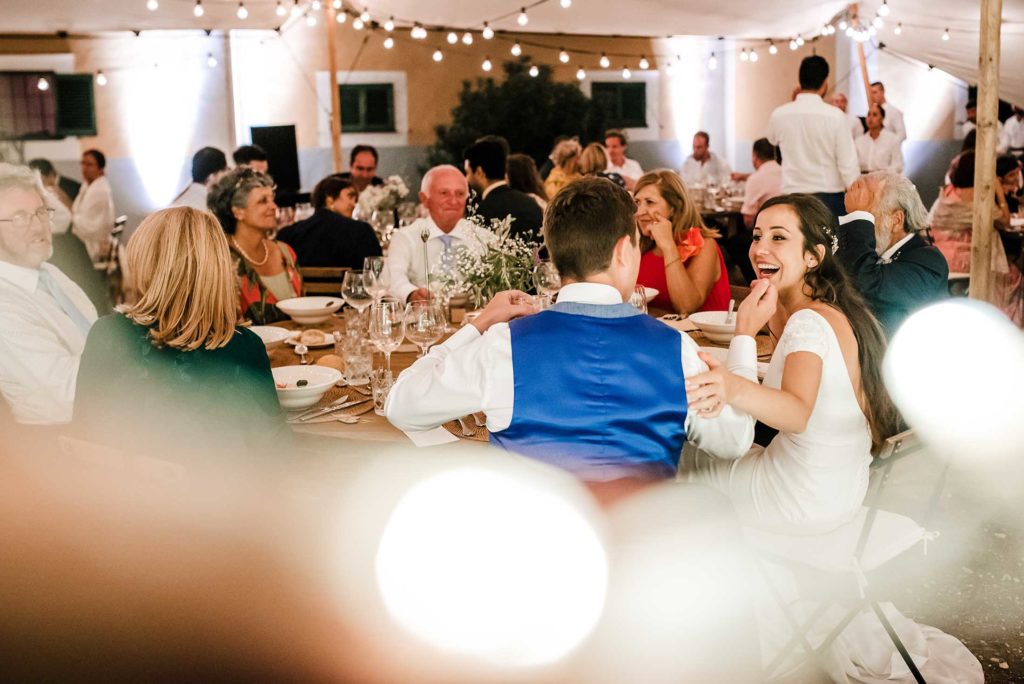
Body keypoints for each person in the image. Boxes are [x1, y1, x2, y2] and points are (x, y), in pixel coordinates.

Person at [386, 176, 755, 489]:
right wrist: (744, 339)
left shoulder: (504, 346)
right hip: (644, 555)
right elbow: (734, 441)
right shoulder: (678, 350)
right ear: (625, 250)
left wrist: (479, 326)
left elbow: (401, 407)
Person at [680, 193, 900, 533]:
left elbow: (796, 413)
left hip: (795, 499)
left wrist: (734, 368)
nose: (759, 248)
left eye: (778, 237)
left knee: (682, 453)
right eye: (756, 236)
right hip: (838, 494)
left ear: (813, 257)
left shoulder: (808, 322)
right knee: (732, 446)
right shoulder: (837, 311)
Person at [73, 206, 289, 460]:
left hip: (118, 491)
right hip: (216, 495)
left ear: (144, 264)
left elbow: (84, 430)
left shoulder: (107, 334)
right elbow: (275, 453)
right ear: (219, 268)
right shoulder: (243, 347)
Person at [0, 163, 97, 425]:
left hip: (103, 410)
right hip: (63, 440)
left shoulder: (51, 274)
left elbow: (95, 335)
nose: (39, 227)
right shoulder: (4, 306)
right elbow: (68, 393)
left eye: (41, 212)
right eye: (20, 217)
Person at [837, 172, 949, 336]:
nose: (861, 227)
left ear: (896, 220)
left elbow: (866, 286)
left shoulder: (930, 262)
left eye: (866, 216)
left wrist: (857, 218)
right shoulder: (861, 252)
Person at [928, 151, 1022, 325]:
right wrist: (998, 190)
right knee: (1014, 276)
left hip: (939, 253)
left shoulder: (949, 192)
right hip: (962, 259)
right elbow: (1004, 220)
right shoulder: (978, 198)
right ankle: (1004, 324)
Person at [385, 165, 494, 303]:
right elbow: (393, 278)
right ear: (424, 199)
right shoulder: (406, 237)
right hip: (422, 319)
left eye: (460, 194)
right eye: (444, 193)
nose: (453, 201)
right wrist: (411, 294)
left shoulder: (483, 238)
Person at [767, 56, 859, 219]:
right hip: (828, 198)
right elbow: (848, 166)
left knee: (796, 244)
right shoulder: (836, 116)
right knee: (829, 244)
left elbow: (772, 141)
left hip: (791, 197)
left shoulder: (779, 114)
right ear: (825, 84)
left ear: (800, 81)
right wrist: (858, 204)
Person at [208, 167, 302, 324]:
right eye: (263, 201)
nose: (273, 206)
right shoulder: (221, 258)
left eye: (272, 199)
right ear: (238, 212)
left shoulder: (285, 252)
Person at [633, 170, 731, 314]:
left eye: (650, 202)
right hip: (657, 332)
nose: (640, 212)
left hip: (699, 335)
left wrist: (668, 246)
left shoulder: (705, 245)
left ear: (675, 207)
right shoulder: (642, 247)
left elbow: (686, 306)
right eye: (637, 202)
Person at [276, 175, 382, 270]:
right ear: (330, 199)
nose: (353, 204)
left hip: (304, 292)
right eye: (350, 197)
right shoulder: (361, 231)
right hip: (347, 291)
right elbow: (376, 272)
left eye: (355, 200)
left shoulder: (288, 235)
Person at [463, 139, 543, 242]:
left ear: (479, 172)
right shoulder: (532, 204)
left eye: (468, 172)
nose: (466, 178)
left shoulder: (480, 213)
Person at [71, 149, 116, 263]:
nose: (84, 168)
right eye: (83, 163)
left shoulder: (99, 190)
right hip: (85, 239)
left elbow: (88, 227)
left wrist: (71, 217)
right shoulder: (87, 185)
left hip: (93, 246)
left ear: (100, 169)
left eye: (89, 165)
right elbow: (75, 212)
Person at [740, 138, 783, 229]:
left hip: (767, 231)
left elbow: (748, 220)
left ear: (755, 156)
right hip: (789, 228)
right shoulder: (786, 173)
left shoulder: (755, 178)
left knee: (732, 240)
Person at [854, 104, 904, 174]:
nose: (870, 118)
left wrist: (882, 175)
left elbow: (898, 165)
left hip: (886, 180)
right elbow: (854, 165)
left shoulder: (892, 139)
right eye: (868, 114)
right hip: (863, 181)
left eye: (875, 115)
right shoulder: (859, 141)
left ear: (882, 119)